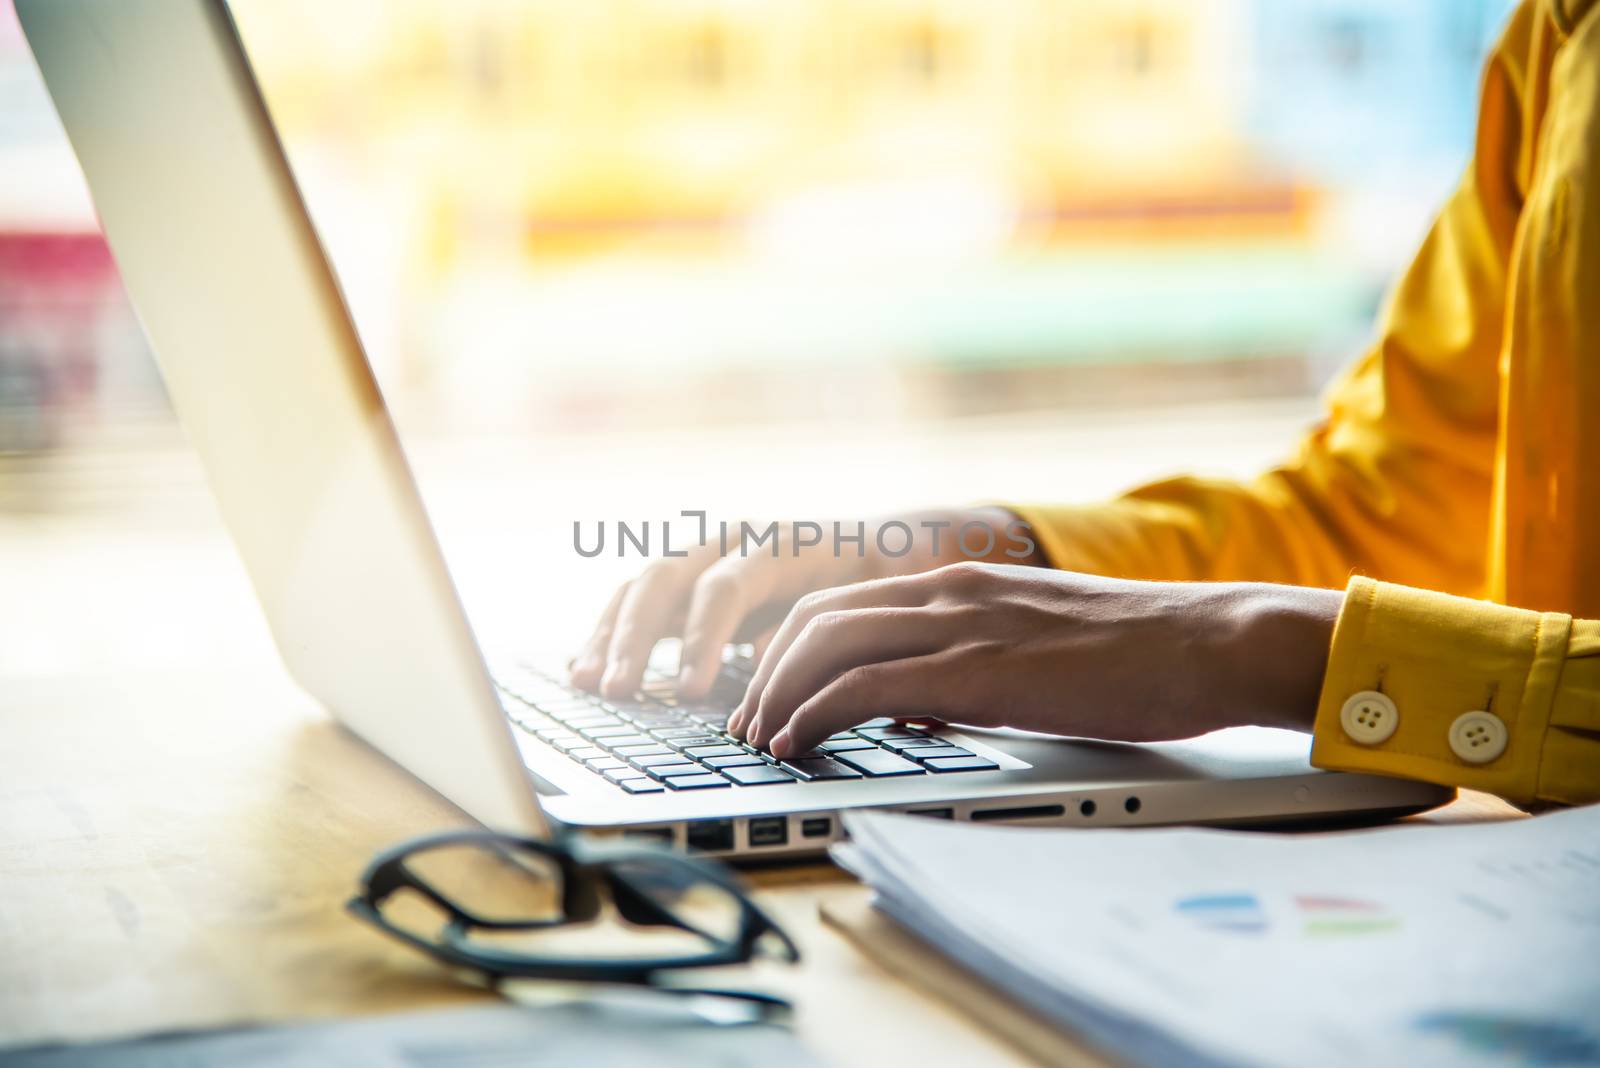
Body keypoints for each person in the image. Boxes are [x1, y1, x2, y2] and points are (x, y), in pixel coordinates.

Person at [572, 0, 1599, 808]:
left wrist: (1261, 652)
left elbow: (1325, 607)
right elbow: (1384, 517)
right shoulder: (1558, 38)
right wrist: (987, 552)